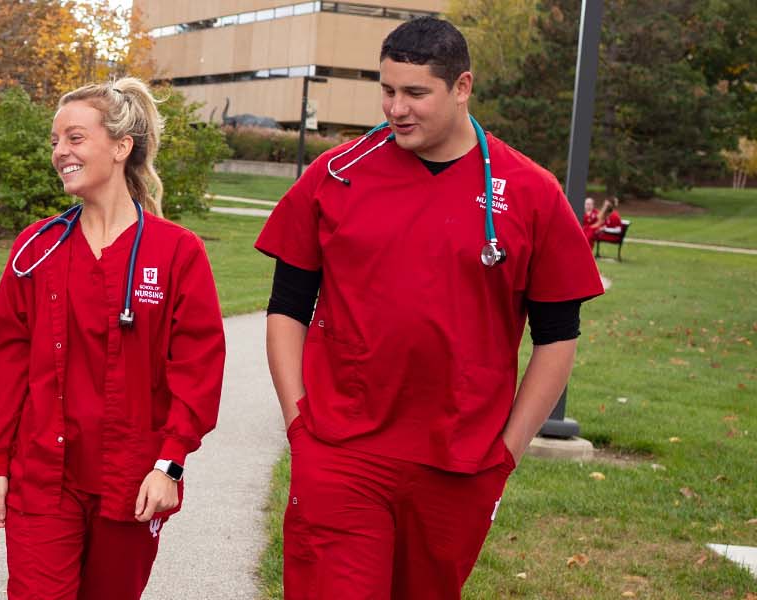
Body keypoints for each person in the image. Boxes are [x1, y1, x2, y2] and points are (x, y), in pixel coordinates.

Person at [255, 17, 603, 599]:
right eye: (387, 90)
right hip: (342, 452)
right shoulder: (336, 174)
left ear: (461, 87)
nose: (396, 108)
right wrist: (300, 424)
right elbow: (286, 306)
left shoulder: (531, 192)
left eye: (416, 93)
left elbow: (557, 336)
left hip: (457, 464)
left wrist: (503, 456)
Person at [0, 77, 227, 600]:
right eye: (54, 141)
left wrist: (170, 465)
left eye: (73, 138)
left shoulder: (177, 253)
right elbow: (5, 361)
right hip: (43, 479)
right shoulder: (37, 249)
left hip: (132, 481)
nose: (59, 152)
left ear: (120, 146)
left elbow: (199, 369)